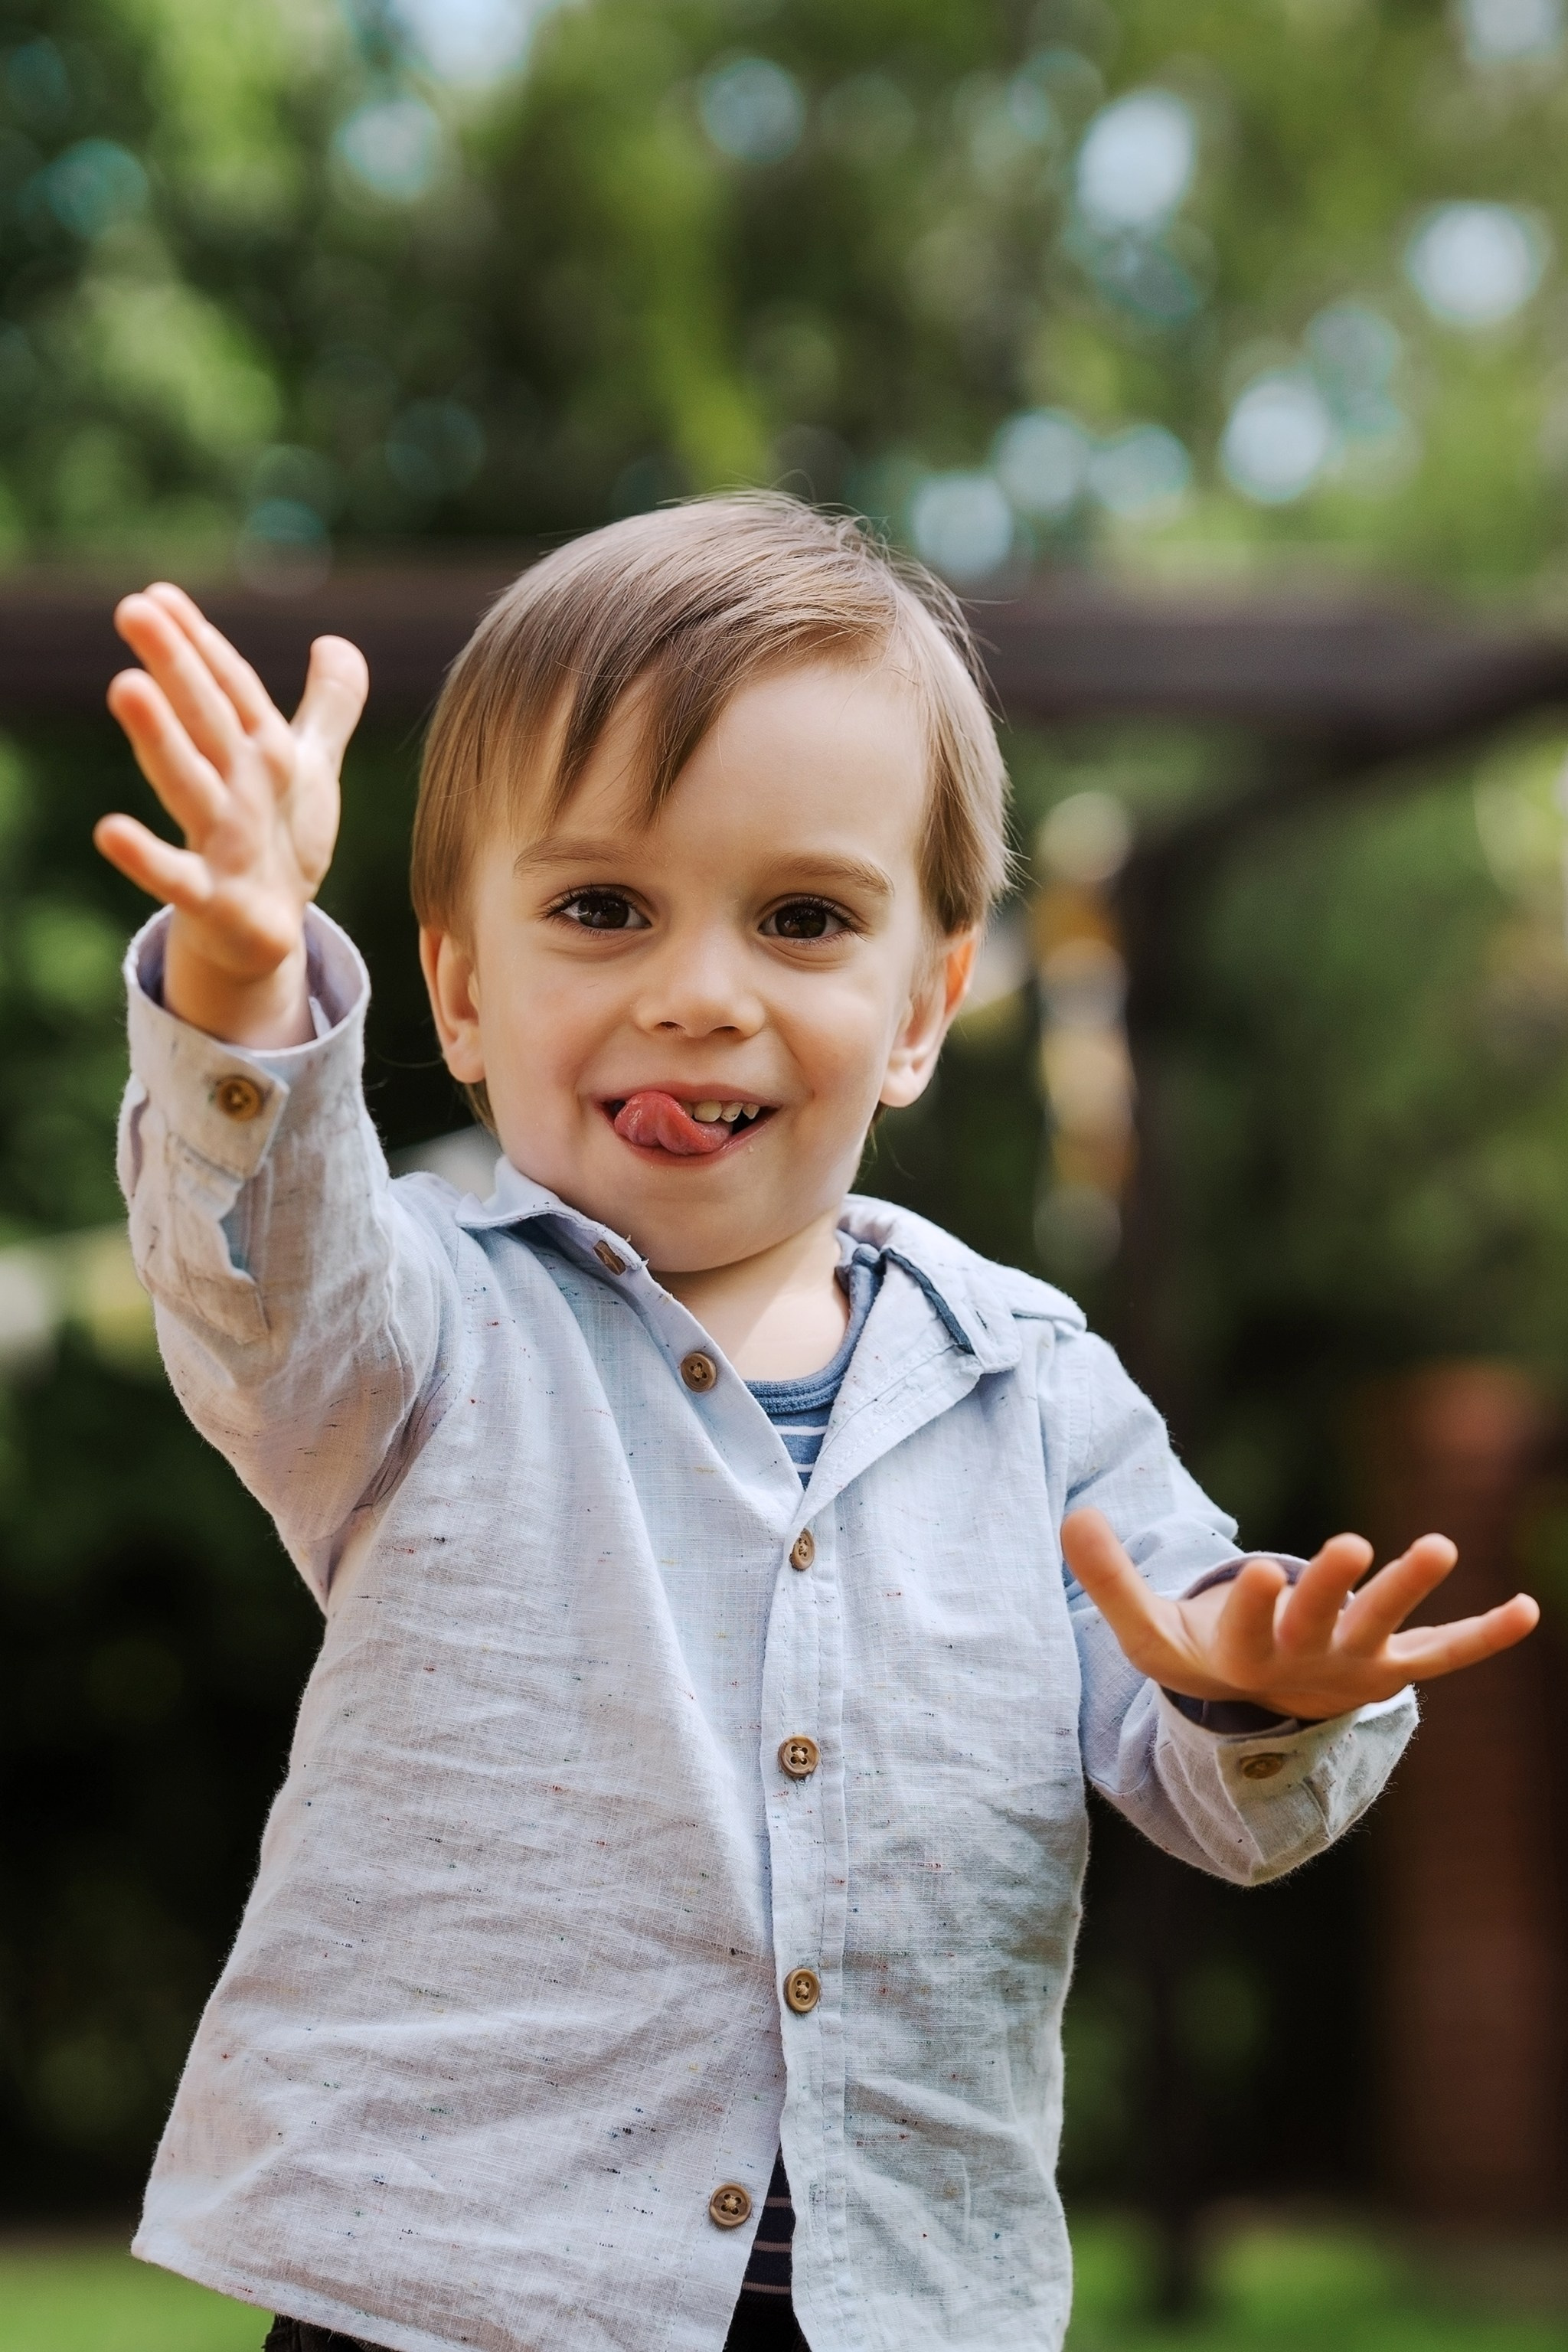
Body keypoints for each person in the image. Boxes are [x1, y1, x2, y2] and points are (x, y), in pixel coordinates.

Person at [96, 496, 1536, 2352]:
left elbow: (1218, 1799)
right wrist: (241, 979)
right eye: (603, 909)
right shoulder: (418, 1321)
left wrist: (1255, 1690)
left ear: (926, 1002)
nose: (700, 993)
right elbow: (256, 1269)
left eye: (802, 918)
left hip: (894, 2295)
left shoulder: (1031, 1389)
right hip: (451, 2291)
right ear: (458, 986)